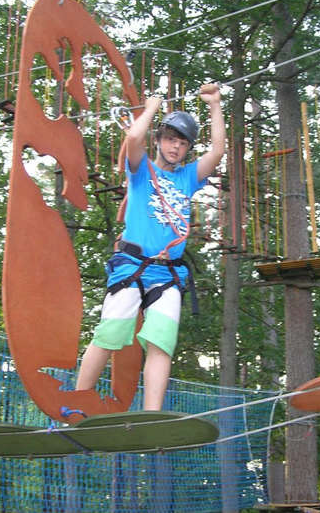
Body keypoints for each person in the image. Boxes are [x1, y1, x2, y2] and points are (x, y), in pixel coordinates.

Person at [75, 83, 225, 411]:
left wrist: (215, 104)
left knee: (161, 343)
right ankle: (77, 401)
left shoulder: (188, 178)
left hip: (167, 273)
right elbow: (132, 139)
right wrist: (151, 109)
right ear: (158, 139)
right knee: (110, 334)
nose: (176, 147)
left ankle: (151, 415)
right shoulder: (142, 170)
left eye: (182, 143)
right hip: (132, 265)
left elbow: (217, 151)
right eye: (170, 139)